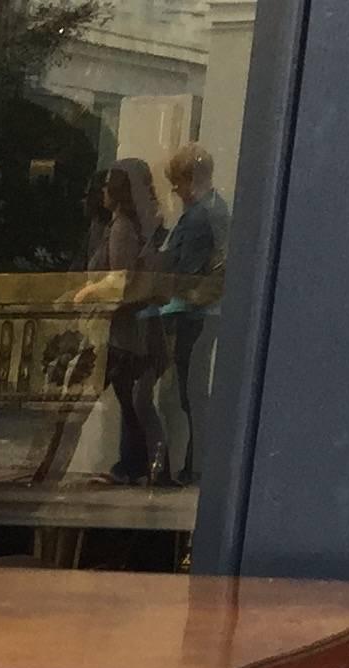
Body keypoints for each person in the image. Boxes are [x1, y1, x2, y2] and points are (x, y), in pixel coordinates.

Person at [87, 158, 167, 485]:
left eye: (108, 185)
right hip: (128, 328)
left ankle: (140, 465)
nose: (103, 191)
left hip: (124, 330)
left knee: (111, 398)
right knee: (130, 400)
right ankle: (138, 465)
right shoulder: (125, 226)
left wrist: (89, 291)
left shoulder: (122, 228)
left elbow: (120, 279)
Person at [158, 142, 231, 487]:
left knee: (191, 391)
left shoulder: (201, 216)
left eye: (177, 183)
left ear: (189, 179)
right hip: (203, 311)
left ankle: (197, 463)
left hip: (193, 313)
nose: (176, 191)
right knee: (193, 390)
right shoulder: (215, 209)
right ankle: (194, 461)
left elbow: (184, 268)